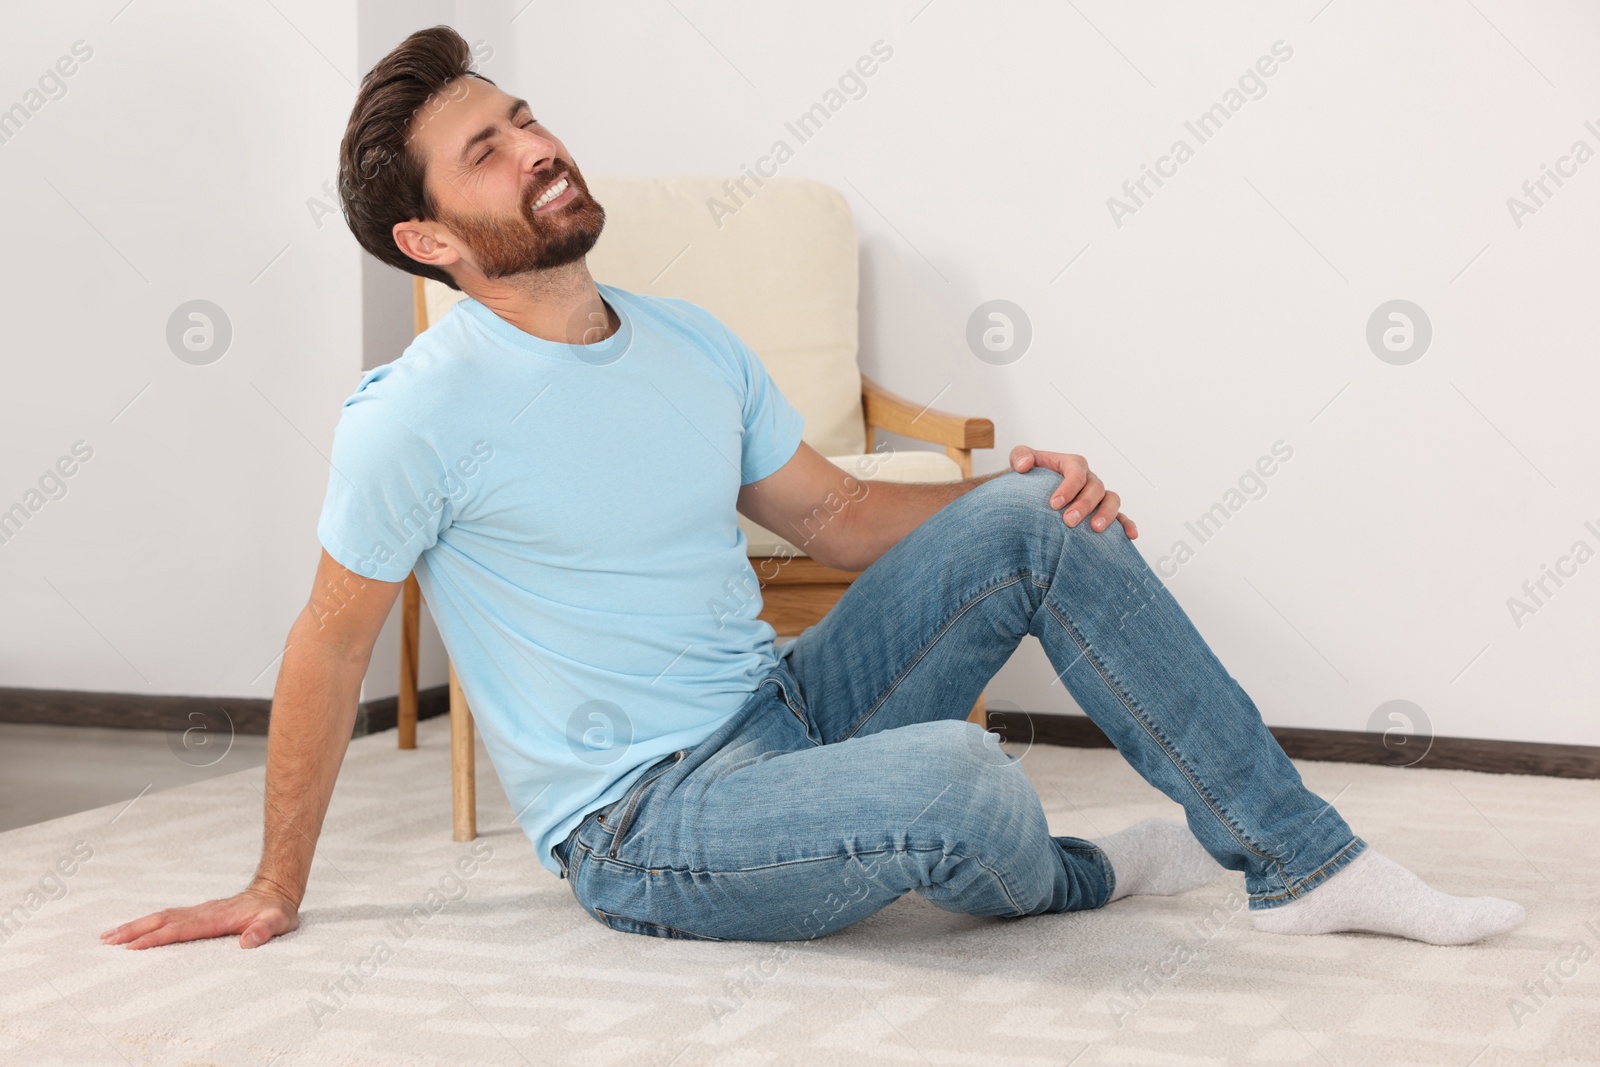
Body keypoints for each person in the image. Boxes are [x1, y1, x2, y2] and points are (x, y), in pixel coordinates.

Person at [102, 26, 1524, 952]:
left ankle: (1304, 866)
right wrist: (275, 884)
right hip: (642, 826)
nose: (539, 147)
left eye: (525, 117)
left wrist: (999, 496)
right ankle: (1088, 873)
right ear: (428, 238)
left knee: (1038, 517)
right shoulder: (415, 416)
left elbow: (835, 518)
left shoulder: (688, 339)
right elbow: (327, 641)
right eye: (488, 149)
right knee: (965, 777)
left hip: (783, 705)